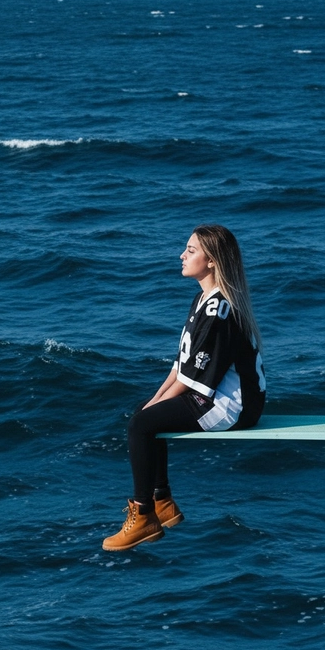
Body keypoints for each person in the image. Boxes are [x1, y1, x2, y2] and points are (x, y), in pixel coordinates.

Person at [103, 224, 266, 551]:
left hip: (232, 406)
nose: (182, 255)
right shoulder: (203, 299)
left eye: (191, 250)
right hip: (214, 394)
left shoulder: (218, 310)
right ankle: (161, 500)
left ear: (212, 261)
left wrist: (154, 409)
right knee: (144, 413)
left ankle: (144, 514)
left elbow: (197, 380)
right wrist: (154, 400)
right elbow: (181, 366)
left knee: (141, 426)